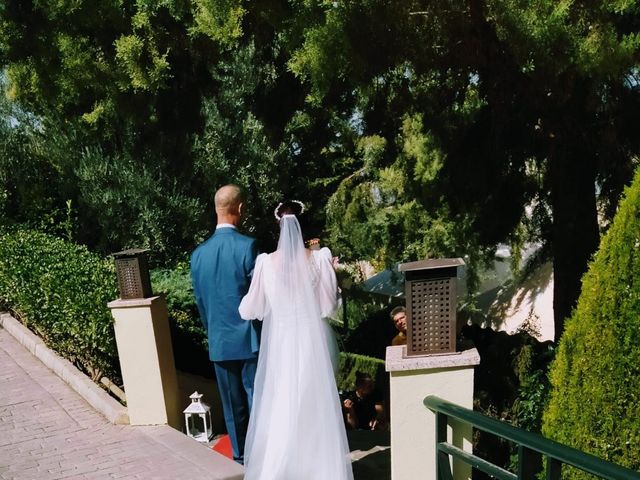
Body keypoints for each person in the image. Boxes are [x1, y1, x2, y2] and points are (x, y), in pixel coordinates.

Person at [238, 200, 353, 480]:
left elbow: (250, 308)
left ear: (279, 225)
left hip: (280, 344)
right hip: (312, 342)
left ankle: (280, 468)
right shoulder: (319, 259)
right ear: (302, 225)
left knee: (280, 404)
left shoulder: (266, 263)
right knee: (313, 405)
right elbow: (328, 307)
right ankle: (319, 469)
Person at [190, 184, 260, 465]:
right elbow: (259, 297)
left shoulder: (198, 255)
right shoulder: (248, 246)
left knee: (232, 407)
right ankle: (265, 454)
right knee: (257, 402)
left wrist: (213, 332)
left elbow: (200, 302)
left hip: (219, 341)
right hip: (249, 340)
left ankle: (241, 458)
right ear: (240, 208)